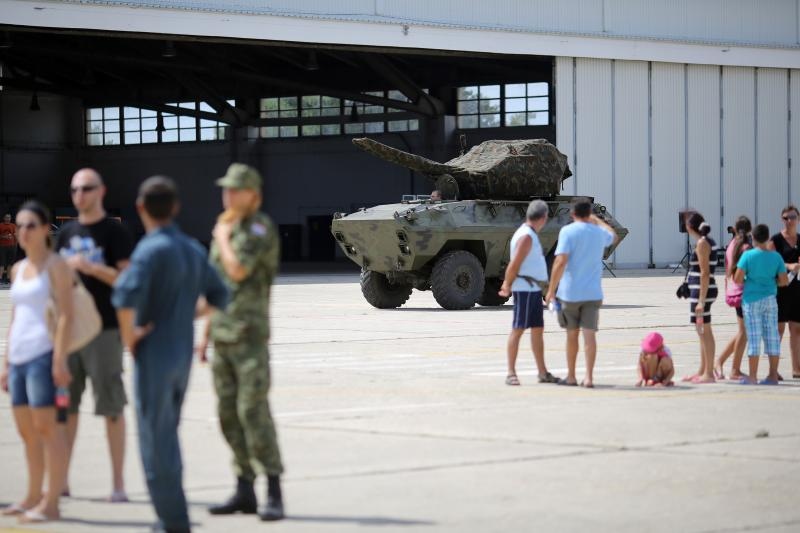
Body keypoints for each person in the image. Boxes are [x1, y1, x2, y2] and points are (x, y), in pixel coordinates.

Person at [112, 177, 229, 533]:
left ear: (140, 208)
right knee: (168, 433)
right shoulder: (193, 248)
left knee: (155, 439)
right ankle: (172, 514)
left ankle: (172, 520)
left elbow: (124, 299)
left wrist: (132, 338)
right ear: (175, 207)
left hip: (155, 354)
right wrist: (184, 315)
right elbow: (220, 296)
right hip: (181, 354)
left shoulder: (149, 250)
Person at [199, 163, 285, 521]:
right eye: (225, 189)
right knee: (228, 414)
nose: (228, 195)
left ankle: (273, 491)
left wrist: (221, 237)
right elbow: (216, 286)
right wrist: (204, 334)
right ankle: (243, 489)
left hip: (249, 337)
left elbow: (237, 271)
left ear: (254, 194)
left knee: (253, 411)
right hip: (223, 335)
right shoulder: (228, 226)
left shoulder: (258, 228)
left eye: (235, 189)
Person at [55, 168, 133, 502]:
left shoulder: (115, 233)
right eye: (74, 189)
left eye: (86, 188)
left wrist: (92, 268)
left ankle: (117, 484)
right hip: (69, 333)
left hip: (105, 331)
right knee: (65, 410)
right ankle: (62, 481)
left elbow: (127, 281)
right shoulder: (65, 234)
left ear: (100, 191)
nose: (79, 195)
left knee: (111, 407)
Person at [0, 201, 72, 523]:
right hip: (19, 358)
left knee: (48, 430)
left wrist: (59, 358)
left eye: (30, 225)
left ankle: (52, 502)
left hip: (44, 357)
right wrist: (6, 361)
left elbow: (68, 315)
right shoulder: (18, 270)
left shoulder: (56, 266)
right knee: (28, 432)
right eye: (20, 226)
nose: (23, 232)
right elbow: (16, 317)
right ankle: (32, 495)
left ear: (46, 229)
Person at [544, 198, 617, 388]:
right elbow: (613, 236)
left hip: (570, 293)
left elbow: (560, 263)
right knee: (590, 336)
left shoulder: (568, 232)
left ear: (572, 214)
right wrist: (597, 220)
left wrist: (551, 290)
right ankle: (589, 378)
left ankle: (571, 376)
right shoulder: (598, 233)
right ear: (589, 213)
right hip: (592, 293)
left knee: (571, 335)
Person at [498, 199, 559, 385]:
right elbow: (514, 264)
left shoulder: (528, 234)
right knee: (517, 330)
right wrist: (507, 285)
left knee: (537, 331)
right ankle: (511, 373)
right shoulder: (526, 236)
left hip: (532, 290)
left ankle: (542, 372)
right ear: (544, 217)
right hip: (524, 290)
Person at [735, 223, 788, 385]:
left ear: (753, 237)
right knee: (772, 336)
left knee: (754, 337)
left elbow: (738, 278)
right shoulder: (776, 257)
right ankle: (772, 375)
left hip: (751, 300)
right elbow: (784, 281)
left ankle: (752, 376)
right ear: (767, 237)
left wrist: (749, 280)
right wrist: (772, 282)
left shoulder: (748, 256)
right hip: (770, 299)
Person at [681, 211, 719, 384]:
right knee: (702, 331)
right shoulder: (706, 241)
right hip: (703, 290)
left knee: (704, 331)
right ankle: (703, 370)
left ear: (690, 226)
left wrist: (701, 302)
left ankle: (708, 373)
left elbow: (704, 273)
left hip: (702, 292)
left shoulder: (702, 244)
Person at [715, 216, 751, 381]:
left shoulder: (731, 245)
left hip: (734, 290)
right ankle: (734, 368)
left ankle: (721, 361)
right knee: (744, 332)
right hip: (746, 292)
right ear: (749, 230)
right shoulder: (745, 247)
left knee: (743, 332)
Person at [769, 205, 800, 379]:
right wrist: (788, 265)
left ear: (798, 219)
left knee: (796, 330)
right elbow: (769, 262)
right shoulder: (776, 240)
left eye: (793, 217)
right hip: (781, 290)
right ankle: (773, 370)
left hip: (798, 290)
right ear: (782, 219)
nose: (790, 220)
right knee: (779, 330)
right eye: (787, 217)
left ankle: (797, 368)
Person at [0, 213, 17, 284]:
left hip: (12, 246)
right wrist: (4, 237)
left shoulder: (13, 225)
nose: (8, 219)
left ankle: (8, 278)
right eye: (6, 217)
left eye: (9, 217)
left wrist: (16, 244)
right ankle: (0, 278)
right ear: (4, 218)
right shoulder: (0, 225)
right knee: (2, 263)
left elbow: (15, 235)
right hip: (2, 246)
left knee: (10, 263)